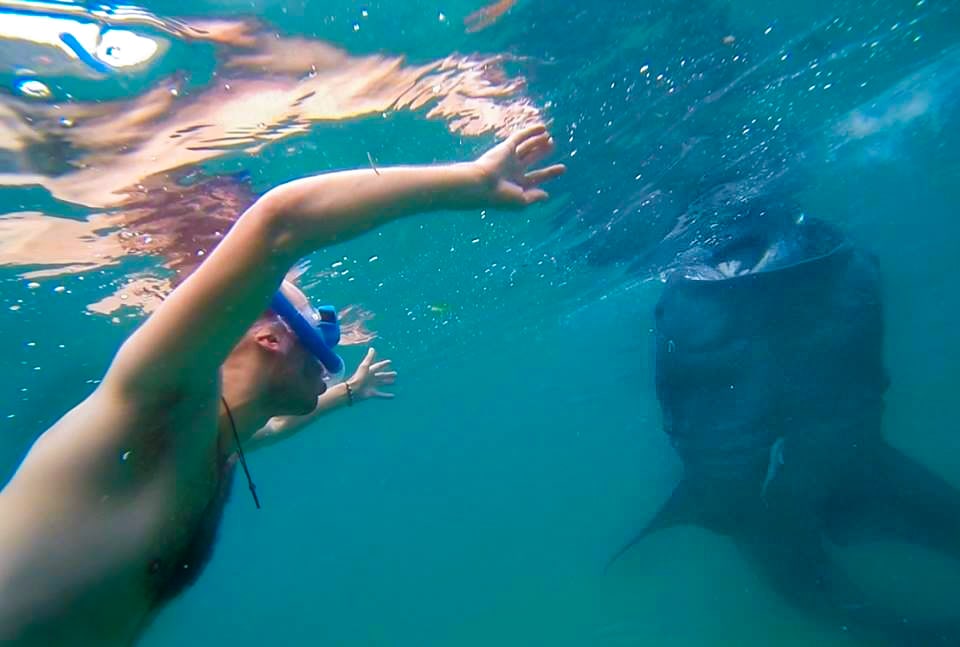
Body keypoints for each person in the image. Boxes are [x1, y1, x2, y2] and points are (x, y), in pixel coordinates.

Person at [0, 125, 565, 645]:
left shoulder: (219, 445)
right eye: (319, 332)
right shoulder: (159, 404)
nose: (331, 347)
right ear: (271, 339)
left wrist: (346, 394)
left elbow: (277, 427)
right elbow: (278, 224)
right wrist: (467, 182)